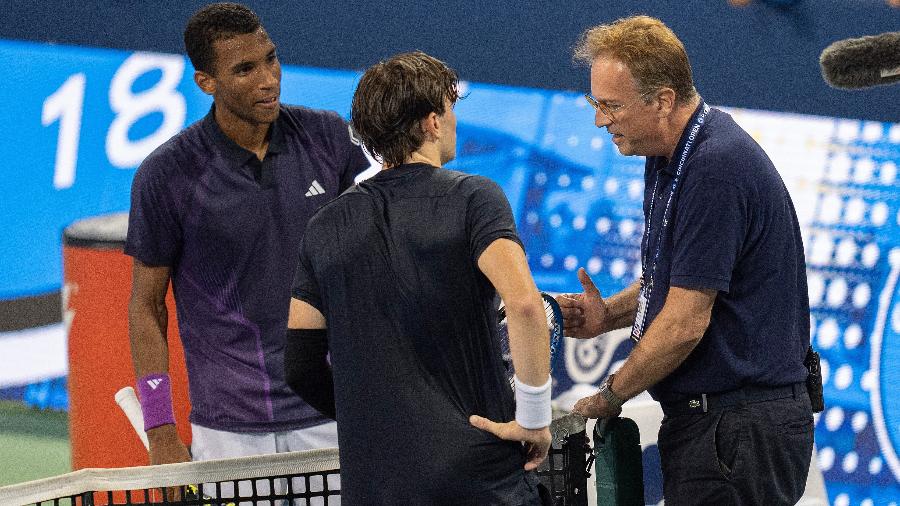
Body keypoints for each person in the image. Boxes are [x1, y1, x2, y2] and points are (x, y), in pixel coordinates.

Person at [559, 16, 814, 505]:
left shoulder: (714, 167)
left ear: (663, 100)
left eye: (610, 106)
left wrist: (612, 394)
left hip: (739, 431)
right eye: (595, 103)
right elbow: (676, 282)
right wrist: (607, 315)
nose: (599, 120)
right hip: (723, 427)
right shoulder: (672, 153)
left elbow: (683, 324)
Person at [285, 51, 552, 505]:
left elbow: (301, 366)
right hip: (478, 478)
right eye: (450, 109)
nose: (453, 121)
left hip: (375, 484)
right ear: (431, 122)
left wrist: (376, 423)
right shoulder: (475, 198)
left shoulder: (324, 225)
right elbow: (526, 307)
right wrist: (533, 417)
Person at [125, 2, 369, 467]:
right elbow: (146, 305)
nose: (268, 78)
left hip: (331, 413)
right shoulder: (166, 175)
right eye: (245, 69)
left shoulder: (329, 138)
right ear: (206, 82)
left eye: (271, 59)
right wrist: (159, 427)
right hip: (228, 431)